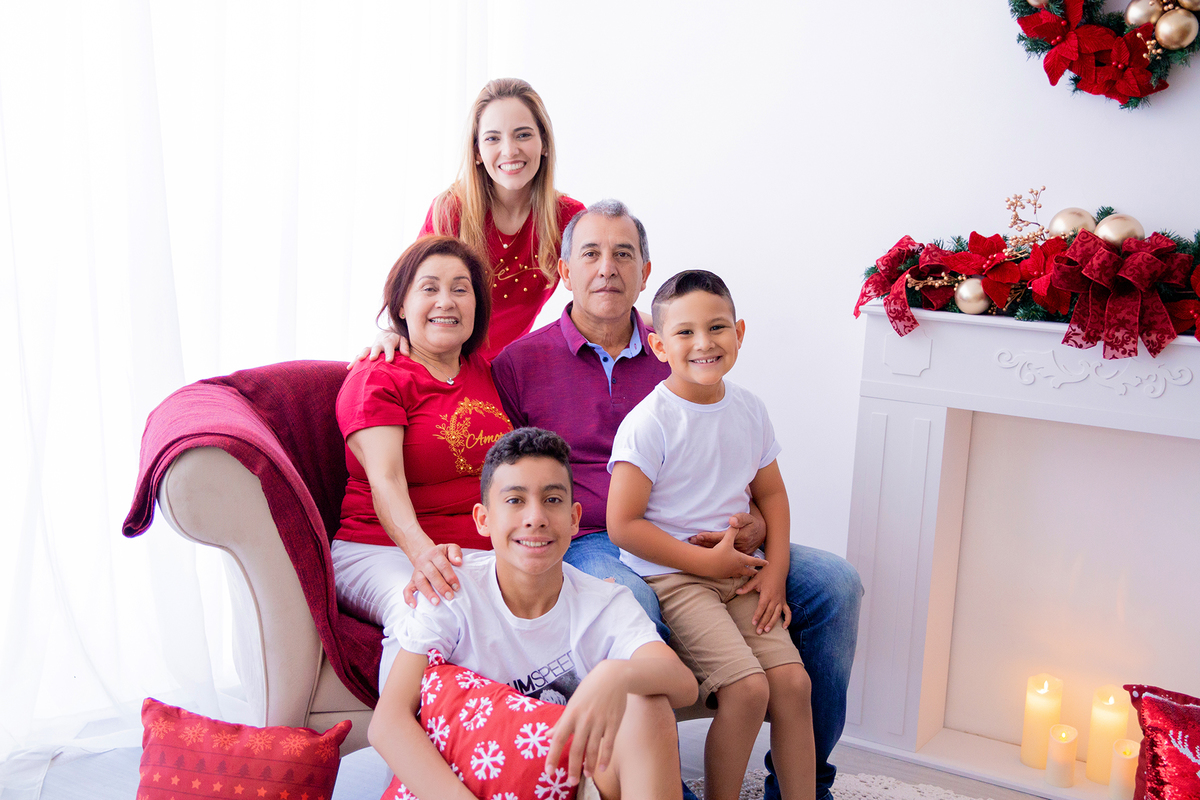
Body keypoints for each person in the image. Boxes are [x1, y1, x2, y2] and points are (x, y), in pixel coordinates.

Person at [488, 199, 863, 800]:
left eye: (623, 254)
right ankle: (653, 785)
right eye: (591, 254)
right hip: (593, 540)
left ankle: (804, 783)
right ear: (565, 271)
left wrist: (757, 527)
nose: (607, 268)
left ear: (645, 269)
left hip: (715, 534)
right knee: (632, 598)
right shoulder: (520, 364)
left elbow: (747, 472)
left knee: (836, 583)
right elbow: (497, 468)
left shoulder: (684, 343)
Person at [369, 427, 698, 800]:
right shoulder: (452, 590)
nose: (536, 517)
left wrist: (616, 673)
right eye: (514, 500)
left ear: (575, 518)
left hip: (567, 780)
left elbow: (683, 684)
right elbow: (388, 723)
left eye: (553, 499)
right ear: (483, 519)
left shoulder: (604, 602)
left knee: (647, 703)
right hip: (472, 783)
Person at [607, 269, 814, 800]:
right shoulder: (650, 421)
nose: (704, 343)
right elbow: (621, 525)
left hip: (741, 572)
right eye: (684, 333)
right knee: (747, 689)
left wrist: (777, 576)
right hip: (676, 576)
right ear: (657, 345)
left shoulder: (748, 409)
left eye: (718, 328)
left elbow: (773, 496)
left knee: (792, 684)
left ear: (739, 333)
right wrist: (706, 566)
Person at [332, 235, 513, 689]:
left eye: (461, 288)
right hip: (381, 549)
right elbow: (386, 480)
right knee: (429, 604)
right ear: (401, 305)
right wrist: (423, 556)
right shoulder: (378, 376)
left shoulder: (484, 372)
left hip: (473, 551)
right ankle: (404, 736)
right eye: (428, 288)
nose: (445, 301)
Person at [362, 77, 585, 363]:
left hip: (505, 374)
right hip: (439, 362)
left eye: (523, 135)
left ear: (544, 143)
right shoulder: (450, 209)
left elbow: (598, 296)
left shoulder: (569, 219)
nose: (510, 150)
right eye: (493, 138)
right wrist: (390, 332)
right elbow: (415, 290)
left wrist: (650, 321)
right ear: (478, 151)